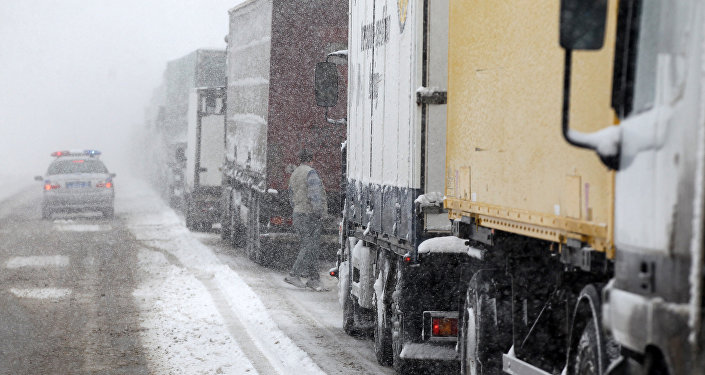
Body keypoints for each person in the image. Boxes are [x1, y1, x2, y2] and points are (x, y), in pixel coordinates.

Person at [284, 149, 327, 291]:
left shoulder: (295, 173)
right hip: (310, 215)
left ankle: (314, 279)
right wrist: (319, 212)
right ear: (311, 160)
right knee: (309, 246)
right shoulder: (311, 173)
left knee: (310, 246)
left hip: (298, 213)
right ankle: (293, 274)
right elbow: (315, 195)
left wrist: (297, 207)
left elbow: (291, 195)